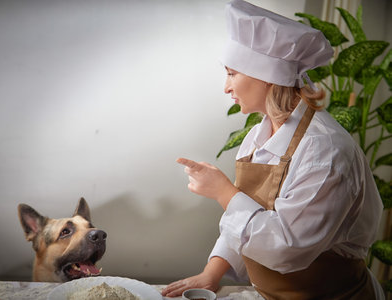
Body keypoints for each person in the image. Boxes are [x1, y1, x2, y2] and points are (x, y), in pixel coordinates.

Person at [162, 1, 385, 299]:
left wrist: (224, 192)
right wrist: (211, 274)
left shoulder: (324, 151)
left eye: (232, 74)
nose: (226, 88)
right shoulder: (258, 135)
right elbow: (248, 219)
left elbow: (287, 249)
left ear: (267, 77)